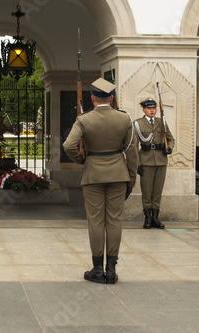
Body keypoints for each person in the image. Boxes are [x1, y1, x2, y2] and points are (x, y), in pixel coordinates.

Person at [63, 78, 138, 284]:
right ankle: (111, 270)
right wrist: (131, 179)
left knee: (96, 220)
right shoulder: (125, 119)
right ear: (112, 98)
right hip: (118, 175)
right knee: (114, 221)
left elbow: (69, 145)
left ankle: (97, 269)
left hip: (93, 174)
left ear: (93, 98)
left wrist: (83, 160)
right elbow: (132, 152)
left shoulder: (84, 120)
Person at [134, 98, 175, 229]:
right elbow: (134, 145)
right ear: (144, 110)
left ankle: (155, 218)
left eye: (153, 108)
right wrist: (137, 163)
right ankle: (147, 218)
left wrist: (169, 147)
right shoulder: (138, 124)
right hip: (145, 160)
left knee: (158, 190)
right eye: (149, 108)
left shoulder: (161, 122)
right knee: (147, 191)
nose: (152, 110)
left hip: (161, 160)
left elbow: (170, 138)